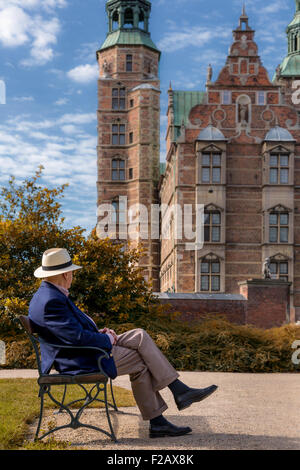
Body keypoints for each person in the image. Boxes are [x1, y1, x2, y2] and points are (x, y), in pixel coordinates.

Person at [29, 248, 218, 439]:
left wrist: (101, 333)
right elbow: (76, 338)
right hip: (80, 360)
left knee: (139, 335)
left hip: (80, 351)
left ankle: (177, 392)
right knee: (141, 362)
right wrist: (107, 339)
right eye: (72, 272)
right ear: (65, 273)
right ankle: (164, 414)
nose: (73, 276)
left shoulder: (49, 295)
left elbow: (70, 332)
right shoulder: (51, 300)